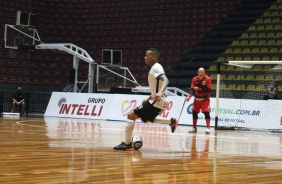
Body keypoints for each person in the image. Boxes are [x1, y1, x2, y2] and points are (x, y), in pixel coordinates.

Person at [114, 48, 178, 150]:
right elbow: (157, 85)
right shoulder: (155, 67)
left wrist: (160, 92)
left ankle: (127, 144)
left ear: (153, 56)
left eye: (147, 55)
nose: (145, 58)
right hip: (159, 101)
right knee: (146, 119)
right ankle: (171, 122)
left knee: (131, 116)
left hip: (158, 101)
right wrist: (149, 97)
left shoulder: (156, 67)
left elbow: (166, 80)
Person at [186, 67, 212, 134]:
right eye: (199, 72)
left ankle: (207, 128)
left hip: (205, 99)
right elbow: (192, 89)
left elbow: (208, 90)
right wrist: (189, 97)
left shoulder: (208, 79)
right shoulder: (195, 79)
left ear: (204, 73)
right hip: (197, 99)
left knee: (206, 113)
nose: (200, 73)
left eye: (201, 72)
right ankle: (194, 128)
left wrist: (199, 89)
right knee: (194, 112)